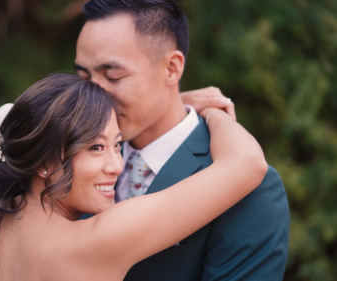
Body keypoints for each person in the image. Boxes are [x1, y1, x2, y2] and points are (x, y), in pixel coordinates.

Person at [0, 73, 268, 281]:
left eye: (118, 145)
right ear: (43, 161)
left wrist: (176, 104)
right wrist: (210, 111)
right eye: (96, 148)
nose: (117, 165)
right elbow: (248, 163)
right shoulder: (97, 240)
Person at [74, 0, 290, 280]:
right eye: (82, 77)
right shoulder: (67, 159)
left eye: (113, 76)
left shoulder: (247, 186)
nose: (92, 96)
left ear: (172, 68)